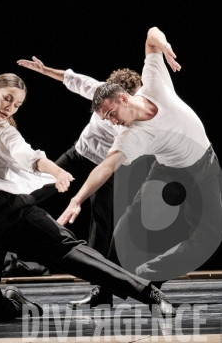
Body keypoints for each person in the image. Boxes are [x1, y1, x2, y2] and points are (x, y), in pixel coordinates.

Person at [0, 72, 176, 322]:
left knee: (74, 256)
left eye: (17, 105)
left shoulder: (4, 132)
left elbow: (29, 156)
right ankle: (17, 303)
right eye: (7, 99)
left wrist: (57, 171)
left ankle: (149, 293)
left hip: (9, 212)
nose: (10, 108)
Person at [58, 27, 222, 305]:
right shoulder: (130, 134)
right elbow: (104, 168)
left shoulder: (154, 82)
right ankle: (105, 289)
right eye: (106, 119)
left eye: (112, 114)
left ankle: (146, 280)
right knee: (125, 228)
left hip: (204, 170)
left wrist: (166, 47)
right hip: (168, 172)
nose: (112, 122)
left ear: (123, 98)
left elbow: (151, 34)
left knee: (207, 240)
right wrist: (77, 199)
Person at [15, 57, 146, 309]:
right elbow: (71, 79)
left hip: (107, 168)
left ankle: (102, 290)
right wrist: (44, 70)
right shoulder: (101, 92)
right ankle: (2, 224)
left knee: (102, 225)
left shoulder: (135, 122)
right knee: (33, 191)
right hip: (78, 155)